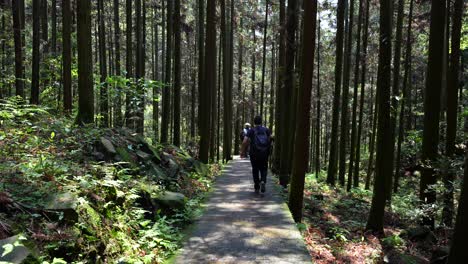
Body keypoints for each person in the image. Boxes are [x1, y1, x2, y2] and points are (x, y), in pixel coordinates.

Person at [241, 116, 271, 194]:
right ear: (261, 122)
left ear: (254, 122)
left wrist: (242, 152)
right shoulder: (266, 130)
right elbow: (270, 140)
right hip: (264, 153)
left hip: (254, 154)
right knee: (264, 169)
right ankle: (263, 181)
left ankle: (257, 186)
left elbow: (244, 142)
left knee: (255, 169)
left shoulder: (251, 130)